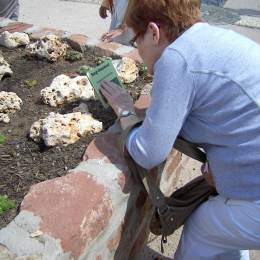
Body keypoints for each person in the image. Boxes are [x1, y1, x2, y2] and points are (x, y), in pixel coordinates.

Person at [100, 0, 260, 259]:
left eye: (135, 41)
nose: (138, 50)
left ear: (154, 32)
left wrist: (125, 109)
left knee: (202, 227)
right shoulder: (209, 37)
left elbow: (148, 151)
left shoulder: (177, 58)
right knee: (221, 230)